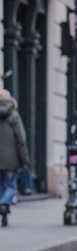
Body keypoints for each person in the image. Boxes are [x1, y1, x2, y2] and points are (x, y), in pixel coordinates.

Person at [0, 89, 30, 226]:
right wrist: (25, 160)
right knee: (11, 184)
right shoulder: (14, 116)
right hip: (11, 158)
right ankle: (5, 204)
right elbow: (21, 140)